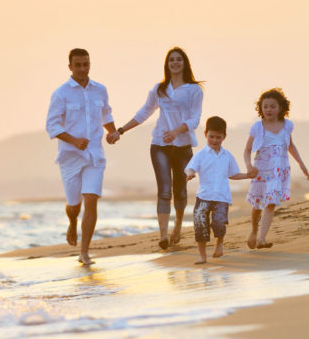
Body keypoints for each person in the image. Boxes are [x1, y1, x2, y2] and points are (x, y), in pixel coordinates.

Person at [117, 47, 203, 250]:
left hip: (183, 146)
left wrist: (176, 132)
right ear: (167, 64)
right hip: (160, 145)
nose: (175, 63)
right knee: (164, 190)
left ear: (185, 63)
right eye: (171, 60)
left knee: (180, 191)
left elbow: (195, 119)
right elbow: (144, 112)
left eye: (179, 59)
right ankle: (163, 235)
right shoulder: (159, 89)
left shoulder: (194, 90)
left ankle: (178, 227)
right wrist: (121, 130)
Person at [45, 48, 120, 265]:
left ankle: (84, 252)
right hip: (70, 157)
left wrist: (112, 132)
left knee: (91, 200)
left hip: (95, 156)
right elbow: (52, 125)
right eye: (78, 65)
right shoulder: (61, 93)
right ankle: (72, 222)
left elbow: (106, 113)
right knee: (74, 205)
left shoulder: (100, 90)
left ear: (90, 64)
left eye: (85, 64)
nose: (82, 69)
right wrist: (74, 141)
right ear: (70, 67)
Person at [244, 88, 309, 249]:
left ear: (281, 108)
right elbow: (246, 150)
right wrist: (249, 166)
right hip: (261, 170)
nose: (269, 110)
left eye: (272, 106)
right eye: (265, 106)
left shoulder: (287, 126)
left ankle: (262, 238)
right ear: (261, 108)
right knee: (257, 205)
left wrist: (301, 163)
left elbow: (290, 145)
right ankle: (253, 231)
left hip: (278, 171)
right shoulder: (257, 128)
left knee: (271, 203)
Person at [185, 116, 256, 264]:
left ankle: (219, 243)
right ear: (205, 134)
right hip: (203, 196)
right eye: (211, 137)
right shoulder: (201, 155)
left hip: (221, 197)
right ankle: (202, 256)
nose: (214, 140)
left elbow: (233, 174)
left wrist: (247, 175)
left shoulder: (227, 156)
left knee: (218, 222)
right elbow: (190, 167)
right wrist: (190, 174)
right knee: (200, 222)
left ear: (224, 136)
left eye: (218, 137)